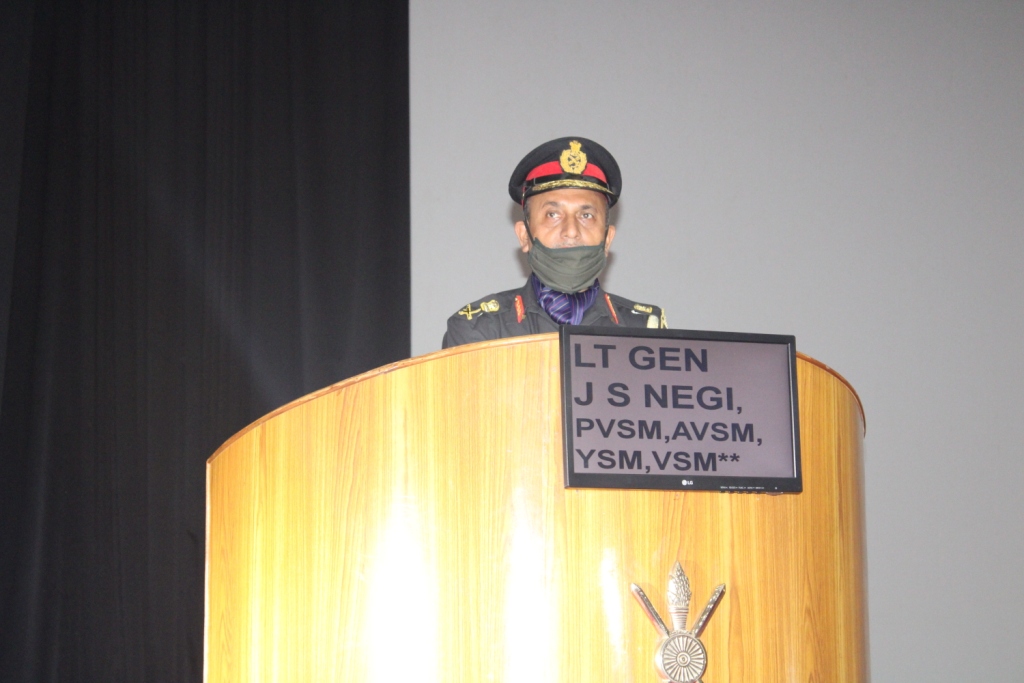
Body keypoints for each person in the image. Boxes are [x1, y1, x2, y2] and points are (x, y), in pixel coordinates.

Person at [442, 136, 666, 349]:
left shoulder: (645, 331)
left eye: (586, 216)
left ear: (608, 239)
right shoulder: (480, 331)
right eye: (553, 215)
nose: (571, 231)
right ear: (524, 235)